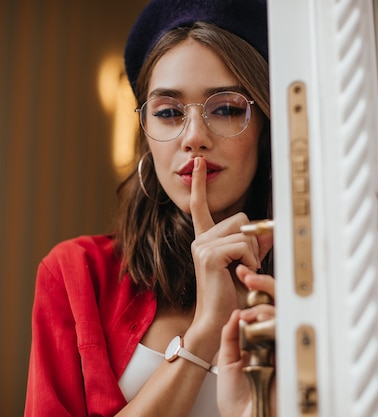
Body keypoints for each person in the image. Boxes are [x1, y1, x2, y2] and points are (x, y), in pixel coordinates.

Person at [24, 0, 275, 416]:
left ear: (265, 125)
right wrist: (205, 332)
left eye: (227, 109)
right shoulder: (76, 273)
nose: (194, 136)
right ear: (146, 134)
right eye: (169, 112)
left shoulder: (316, 278)